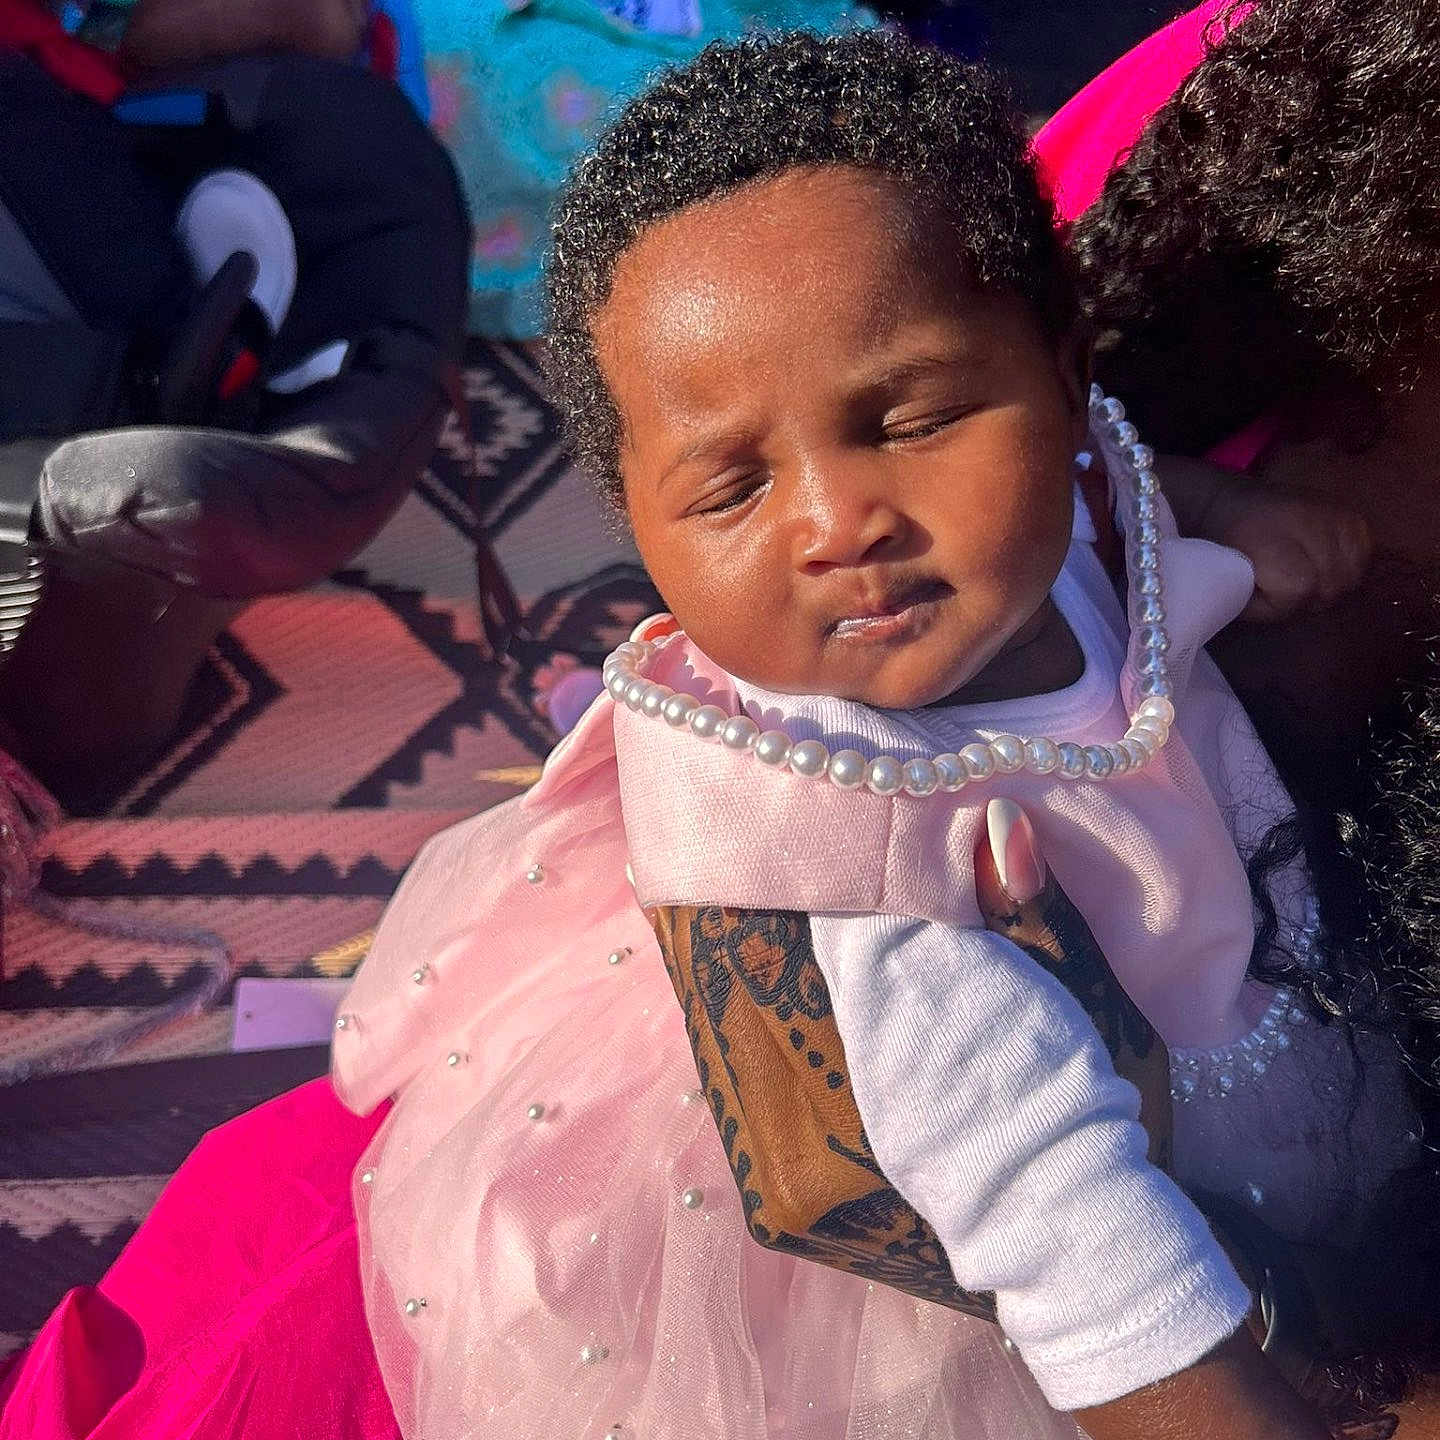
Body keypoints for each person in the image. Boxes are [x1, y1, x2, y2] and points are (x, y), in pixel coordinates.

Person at [322, 28, 1439, 1438]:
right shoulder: (869, 865)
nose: (836, 521)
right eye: (729, 490)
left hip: (1257, 1021)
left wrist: (1234, 516)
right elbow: (1083, 1251)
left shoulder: (1056, 513)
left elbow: (1119, 478)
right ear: (643, 540)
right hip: (1067, 1265)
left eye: (909, 419)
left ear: (1061, 374)